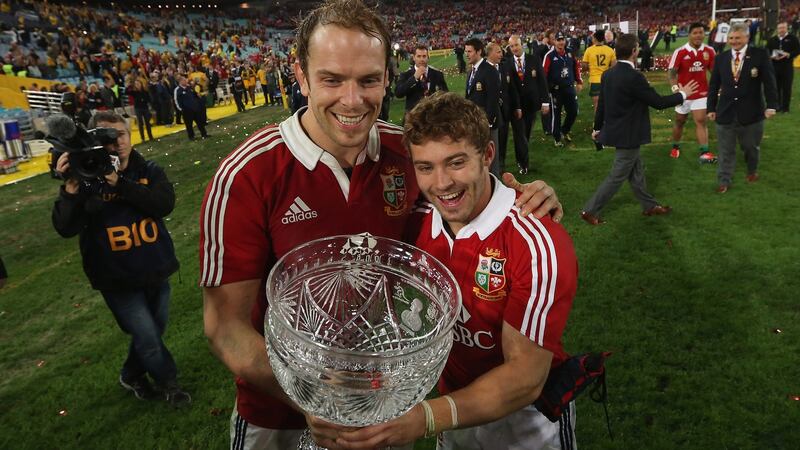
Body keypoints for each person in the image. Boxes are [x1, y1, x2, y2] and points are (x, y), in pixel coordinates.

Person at [199, 1, 562, 449]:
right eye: (332, 79)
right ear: (300, 75)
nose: (353, 101)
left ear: (388, 77)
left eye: (369, 80)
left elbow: (465, 195)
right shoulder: (246, 174)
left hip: (382, 408)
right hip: (278, 415)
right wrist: (315, 399)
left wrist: (524, 198)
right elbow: (224, 326)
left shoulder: (405, 153)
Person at [325, 92, 578, 450]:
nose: (441, 183)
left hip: (525, 424)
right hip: (454, 415)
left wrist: (425, 417)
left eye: (456, 162)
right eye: (425, 167)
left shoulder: (535, 240)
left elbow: (525, 377)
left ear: (488, 155)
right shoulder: (414, 224)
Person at [51, 111, 190, 406]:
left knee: (153, 330)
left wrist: (119, 184)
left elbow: (163, 204)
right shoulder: (85, 178)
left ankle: (131, 374)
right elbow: (65, 227)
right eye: (107, 138)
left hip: (155, 268)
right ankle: (170, 384)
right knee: (148, 337)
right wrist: (70, 190)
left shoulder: (149, 170)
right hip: (116, 279)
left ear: (131, 135)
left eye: (122, 135)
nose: (118, 143)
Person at [581, 34, 698, 225]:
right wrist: (683, 94)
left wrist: (596, 127)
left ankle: (649, 206)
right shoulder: (634, 77)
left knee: (637, 172)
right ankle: (590, 210)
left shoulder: (608, 74)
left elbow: (602, 104)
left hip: (621, 132)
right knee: (617, 176)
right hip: (629, 135)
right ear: (634, 51)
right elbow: (658, 103)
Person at [707, 23, 778, 193]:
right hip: (726, 111)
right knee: (725, 150)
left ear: (746, 37)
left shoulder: (759, 55)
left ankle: (752, 170)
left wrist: (771, 106)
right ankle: (724, 180)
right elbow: (714, 85)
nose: (734, 41)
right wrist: (711, 107)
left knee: (750, 148)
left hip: (752, 112)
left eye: (738, 38)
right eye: (731, 38)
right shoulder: (721, 58)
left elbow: (769, 82)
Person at [668, 22, 717, 162]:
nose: (698, 36)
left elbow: (714, 72)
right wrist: (676, 91)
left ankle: (704, 152)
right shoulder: (680, 52)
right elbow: (672, 74)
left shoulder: (709, 51)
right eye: (695, 33)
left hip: (701, 93)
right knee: (679, 121)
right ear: (689, 35)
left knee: (701, 120)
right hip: (683, 95)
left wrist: (719, 85)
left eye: (701, 32)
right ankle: (675, 147)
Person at [507, 34, 549, 173]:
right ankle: (523, 164)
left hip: (531, 104)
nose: (514, 48)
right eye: (511, 46)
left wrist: (545, 102)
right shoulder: (507, 63)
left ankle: (522, 159)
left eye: (516, 45)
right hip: (515, 106)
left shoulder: (534, 60)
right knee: (520, 135)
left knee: (526, 134)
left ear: (522, 45)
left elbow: (542, 82)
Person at [464, 38, 501, 175]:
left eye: (469, 51)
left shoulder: (489, 71)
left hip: (487, 122)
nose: (467, 54)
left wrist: (489, 122)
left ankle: (496, 187)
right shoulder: (471, 71)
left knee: (491, 158)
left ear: (479, 51)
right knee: (480, 156)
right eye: (466, 51)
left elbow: (493, 99)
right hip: (474, 122)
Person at [543, 31, 583, 147]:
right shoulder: (549, 56)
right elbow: (543, 73)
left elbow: (576, 67)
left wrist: (579, 81)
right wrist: (546, 90)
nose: (561, 42)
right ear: (554, 41)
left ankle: (564, 131)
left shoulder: (570, 53)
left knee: (574, 111)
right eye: (558, 40)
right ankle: (557, 138)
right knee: (556, 114)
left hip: (569, 88)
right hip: (556, 90)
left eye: (562, 40)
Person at [486, 41, 519, 178]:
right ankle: (490, 167)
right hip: (489, 114)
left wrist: (517, 106)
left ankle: (500, 165)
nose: (501, 54)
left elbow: (513, 89)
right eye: (498, 52)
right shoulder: (483, 70)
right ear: (490, 53)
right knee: (490, 141)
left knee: (503, 138)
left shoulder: (505, 67)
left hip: (504, 111)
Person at [395, 45, 448, 119]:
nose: (422, 59)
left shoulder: (437, 74)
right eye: (419, 56)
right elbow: (398, 93)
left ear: (428, 57)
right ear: (414, 58)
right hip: (413, 118)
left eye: (424, 56)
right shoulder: (406, 75)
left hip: (433, 117)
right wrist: (414, 78)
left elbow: (445, 94)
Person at [766, 22, 800, 113]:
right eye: (780, 28)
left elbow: (798, 50)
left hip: (787, 67)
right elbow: (766, 51)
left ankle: (785, 108)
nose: (781, 30)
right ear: (777, 29)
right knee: (776, 87)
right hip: (775, 66)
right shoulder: (772, 39)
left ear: (787, 28)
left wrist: (789, 54)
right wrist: (771, 56)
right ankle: (777, 106)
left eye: (783, 28)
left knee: (787, 87)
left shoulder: (793, 39)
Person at [583, 30, 616, 113]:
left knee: (597, 104)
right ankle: (607, 123)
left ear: (595, 39)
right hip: (607, 79)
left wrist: (589, 68)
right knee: (607, 103)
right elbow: (614, 66)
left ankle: (597, 124)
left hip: (595, 80)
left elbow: (584, 66)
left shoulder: (589, 50)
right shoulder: (610, 50)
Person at [174, 75, 208, 140]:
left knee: (200, 122)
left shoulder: (189, 87)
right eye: (184, 80)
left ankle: (204, 134)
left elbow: (195, 95)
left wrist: (199, 97)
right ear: (180, 81)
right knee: (189, 125)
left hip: (195, 108)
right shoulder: (177, 90)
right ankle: (191, 136)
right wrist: (181, 110)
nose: (186, 81)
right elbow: (176, 101)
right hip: (186, 111)